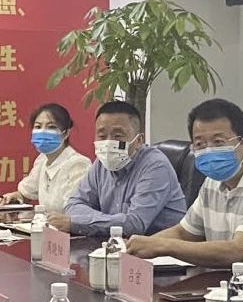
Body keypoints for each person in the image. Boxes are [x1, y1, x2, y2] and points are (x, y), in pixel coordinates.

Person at [126, 99, 243, 267]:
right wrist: (135, 249)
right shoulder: (213, 181)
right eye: (200, 144)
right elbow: (184, 233)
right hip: (222, 283)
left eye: (219, 142)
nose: (209, 151)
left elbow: (240, 252)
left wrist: (163, 246)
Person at [61, 100, 186, 238]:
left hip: (160, 248)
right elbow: (73, 205)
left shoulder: (156, 166)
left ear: (139, 140)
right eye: (102, 136)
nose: (108, 142)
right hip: (115, 244)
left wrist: (77, 222)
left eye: (118, 136)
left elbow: (134, 224)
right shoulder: (101, 164)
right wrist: (107, 222)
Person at [0, 102, 90, 214]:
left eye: (51, 127)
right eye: (38, 127)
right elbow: (27, 192)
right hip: (43, 223)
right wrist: (16, 196)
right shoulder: (42, 160)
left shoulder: (79, 164)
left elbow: (76, 211)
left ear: (66, 133)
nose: (43, 131)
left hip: (67, 225)